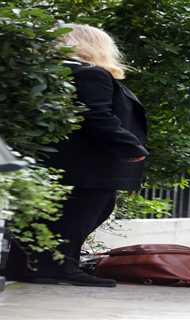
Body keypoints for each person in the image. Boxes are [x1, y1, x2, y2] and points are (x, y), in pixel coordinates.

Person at [5, 24, 149, 287]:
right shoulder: (91, 74)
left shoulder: (56, 73)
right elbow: (95, 114)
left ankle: (29, 267)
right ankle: (61, 268)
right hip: (88, 162)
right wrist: (130, 145)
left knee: (55, 214)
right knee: (81, 213)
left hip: (62, 159)